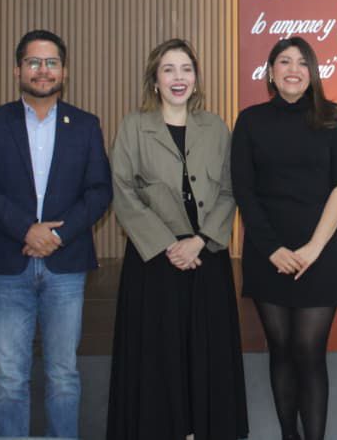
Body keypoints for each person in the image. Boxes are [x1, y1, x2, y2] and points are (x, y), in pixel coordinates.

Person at [0, 28, 112, 439]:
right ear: (17, 70)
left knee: (63, 374)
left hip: (65, 265)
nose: (42, 70)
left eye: (51, 63)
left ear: (64, 71)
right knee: (10, 378)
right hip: (8, 263)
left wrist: (56, 236)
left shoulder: (85, 125)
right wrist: (26, 230)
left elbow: (99, 191)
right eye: (33, 62)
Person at [106, 38, 249, 440]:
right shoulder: (134, 127)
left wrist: (200, 240)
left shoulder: (215, 127)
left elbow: (230, 191)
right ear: (155, 79)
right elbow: (123, 191)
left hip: (207, 257)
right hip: (155, 259)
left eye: (186, 69)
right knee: (159, 353)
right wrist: (169, 245)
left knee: (206, 351)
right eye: (168, 69)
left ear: (196, 79)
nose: (178, 77)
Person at [231, 36, 337, 440]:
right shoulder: (250, 121)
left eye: (302, 62)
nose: (293, 69)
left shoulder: (333, 117)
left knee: (309, 350)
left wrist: (313, 249)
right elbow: (244, 191)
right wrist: (273, 248)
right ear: (271, 73)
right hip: (268, 252)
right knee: (282, 349)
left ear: (313, 72)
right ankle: (289, 434)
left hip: (321, 251)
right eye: (284, 62)